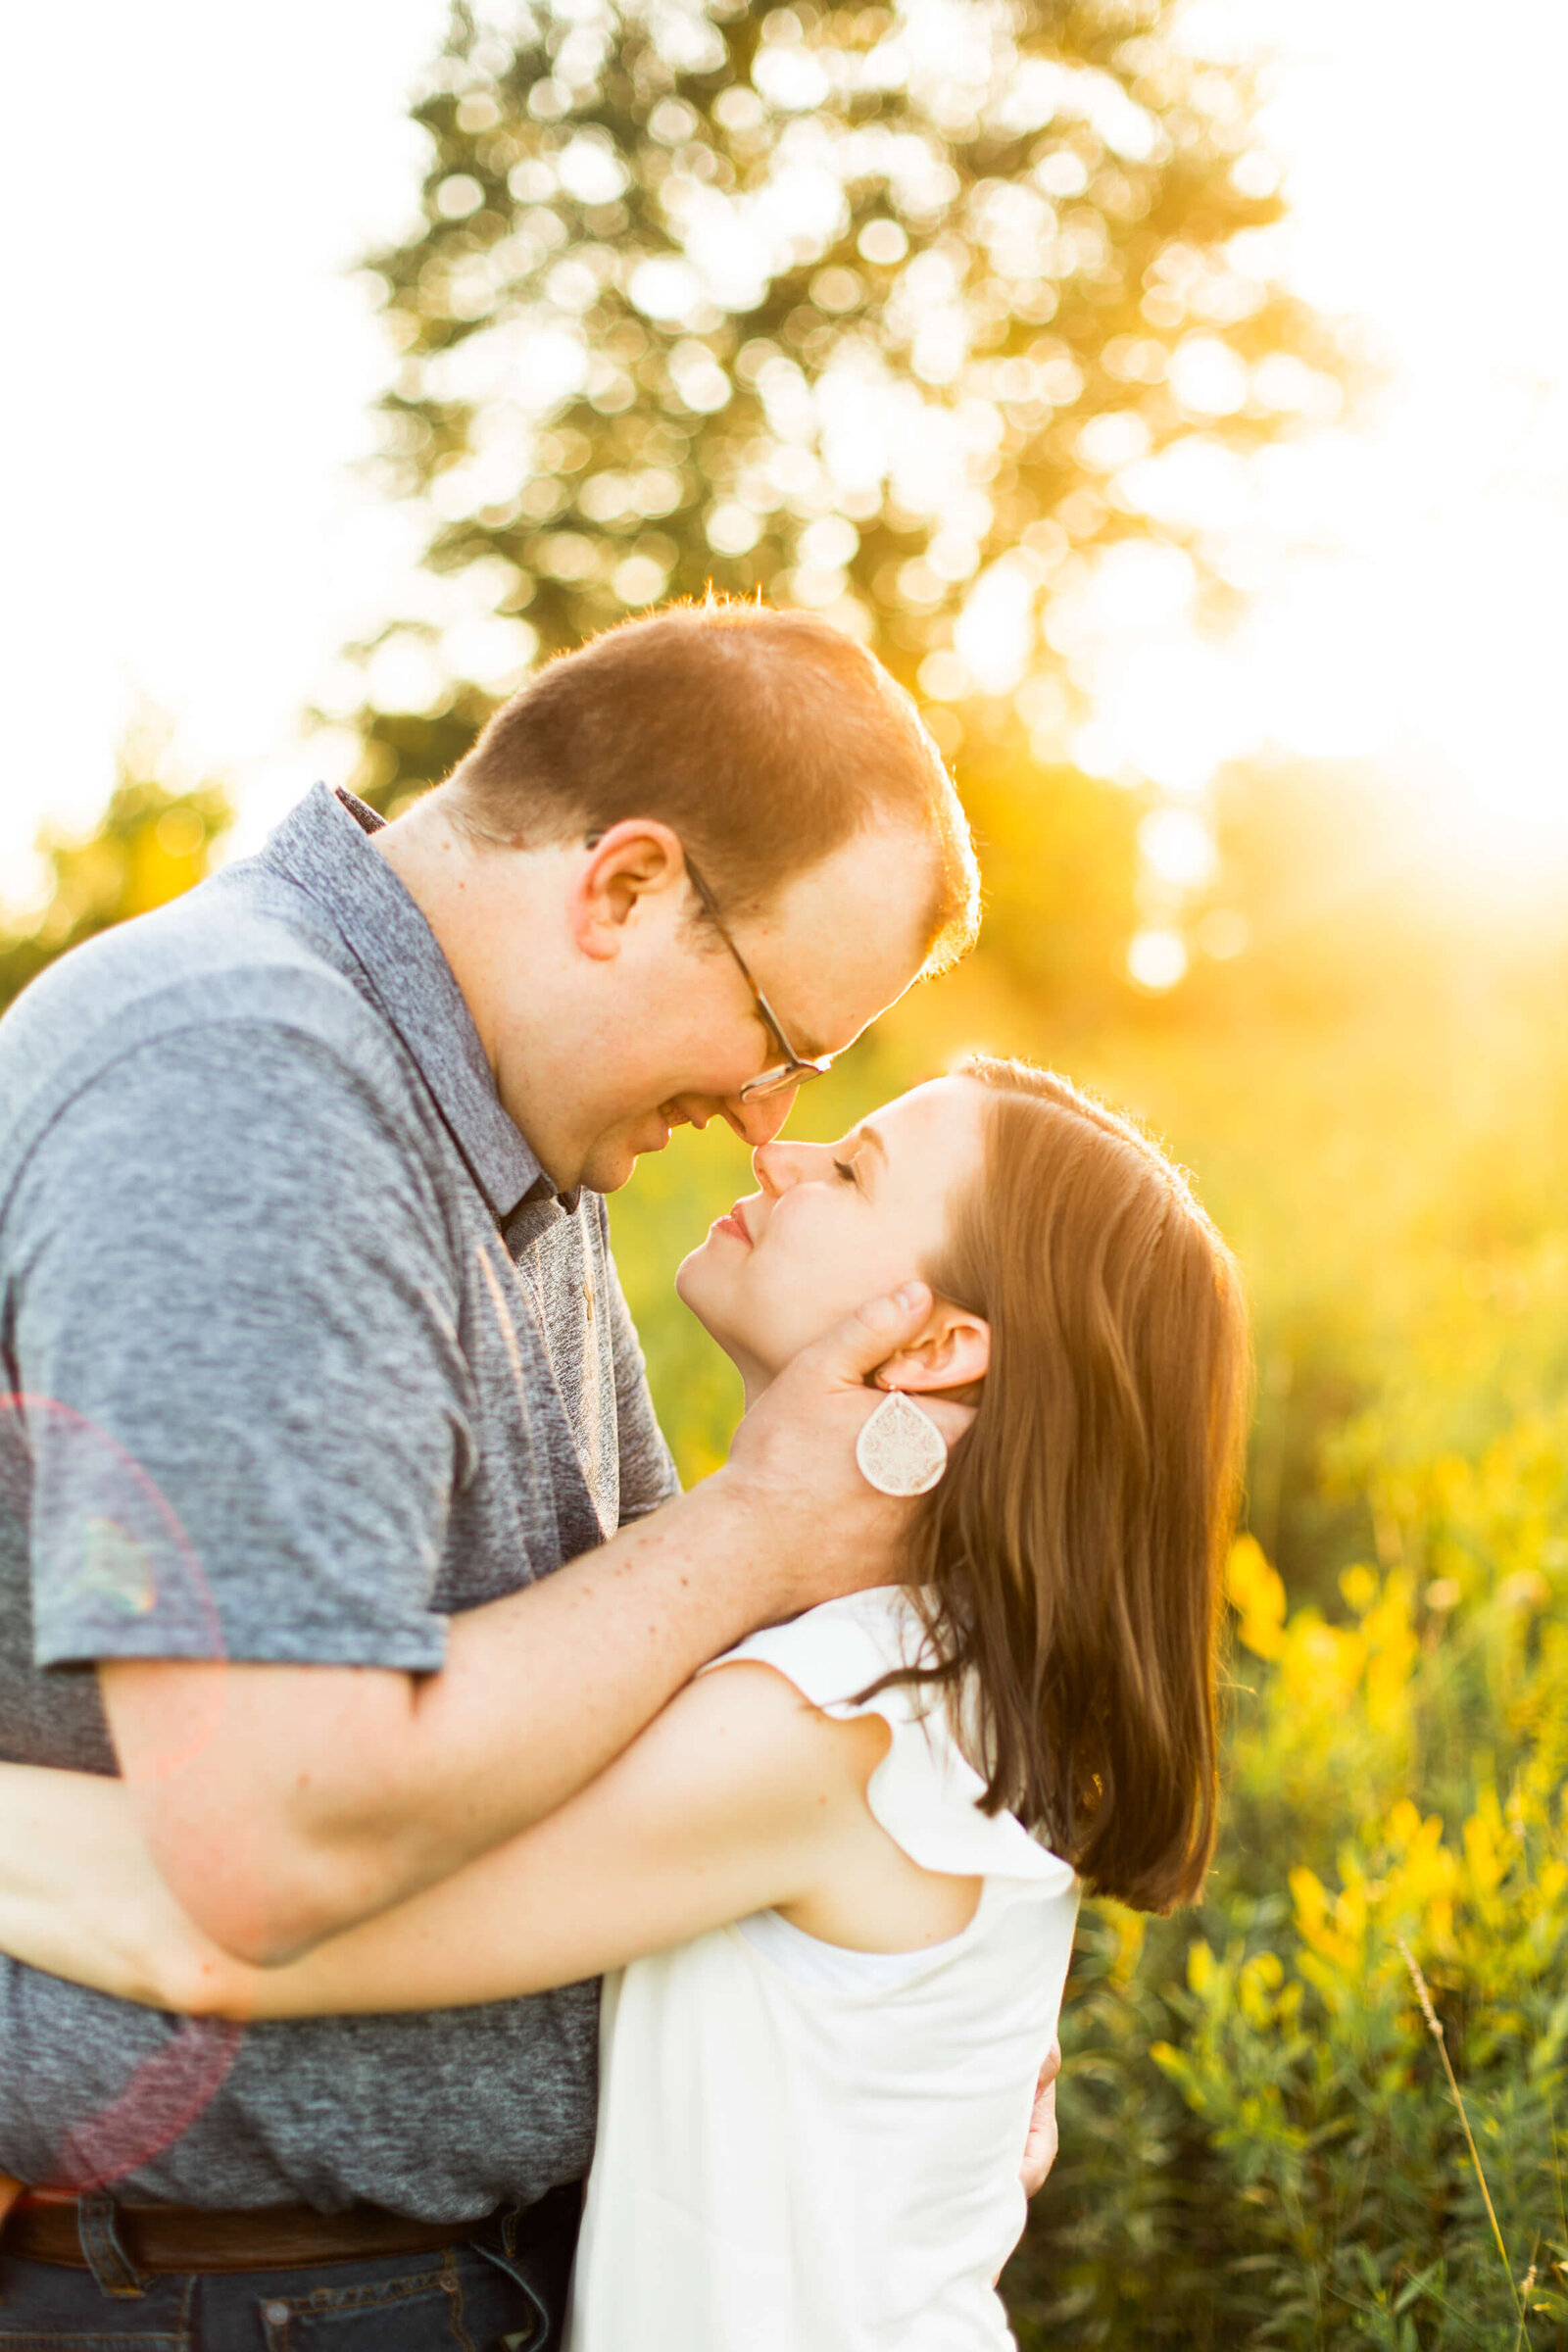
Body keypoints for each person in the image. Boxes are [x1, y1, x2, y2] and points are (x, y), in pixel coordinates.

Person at [0, 599, 1006, 2346]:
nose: (771, 1117)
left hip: (423, 2280)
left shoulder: (509, 1132)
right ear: (622, 889)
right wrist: (761, 1522)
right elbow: (273, 1830)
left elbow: (616, 1677)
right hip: (237, 2297)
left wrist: (924, 2033)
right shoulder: (252, 1086)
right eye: (781, 1036)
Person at [0, 1059, 1250, 2350]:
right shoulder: (911, 1671)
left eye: (854, 1168)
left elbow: (254, 1918)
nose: (781, 1153)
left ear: (934, 1344)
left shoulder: (839, 1717)